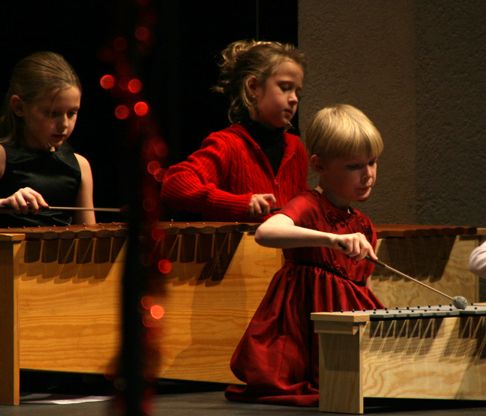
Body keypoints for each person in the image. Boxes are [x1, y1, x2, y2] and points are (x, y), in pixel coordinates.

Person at [225, 104, 385, 406]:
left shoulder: (363, 224)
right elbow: (266, 233)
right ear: (319, 165)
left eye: (373, 163)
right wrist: (331, 239)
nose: (368, 175)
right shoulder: (308, 204)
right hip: (302, 327)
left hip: (340, 327)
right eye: (354, 166)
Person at [161, 40, 308, 222]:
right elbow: (173, 185)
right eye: (285, 88)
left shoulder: (296, 148)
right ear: (253, 87)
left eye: (297, 92)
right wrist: (240, 203)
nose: (294, 99)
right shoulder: (227, 144)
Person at [0, 51, 95, 226]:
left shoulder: (80, 166)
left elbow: (90, 241)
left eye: (72, 113)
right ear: (19, 107)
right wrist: (3, 203)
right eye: (52, 113)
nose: (64, 124)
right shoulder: (2, 156)